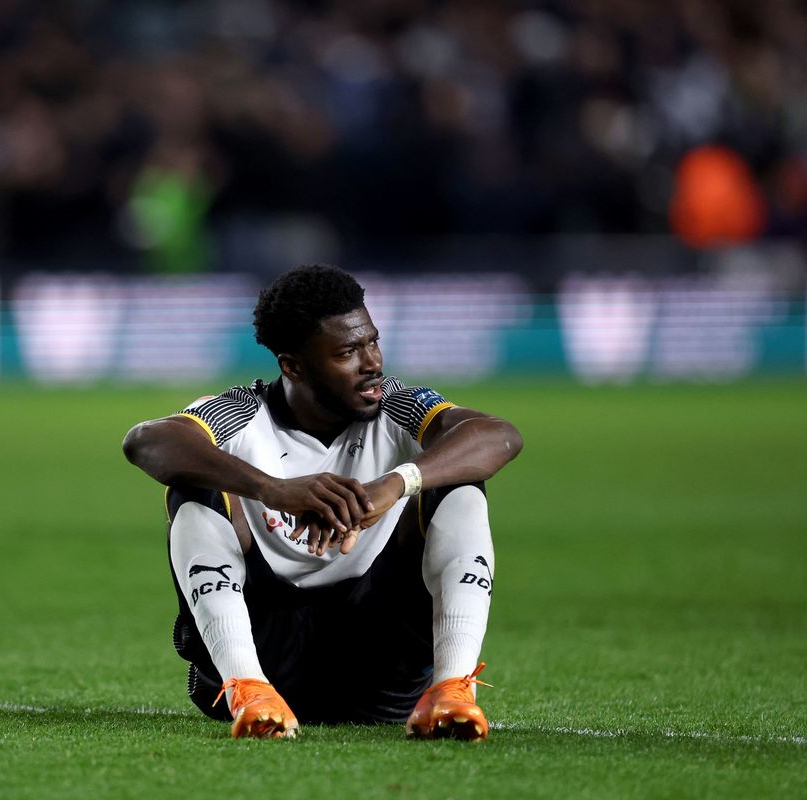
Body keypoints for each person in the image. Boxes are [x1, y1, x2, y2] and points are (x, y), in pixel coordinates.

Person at [122, 264, 523, 740]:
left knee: (457, 485)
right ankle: (247, 689)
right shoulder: (239, 413)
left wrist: (395, 483)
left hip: (380, 669)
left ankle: (452, 691)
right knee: (192, 488)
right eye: (347, 352)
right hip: (266, 652)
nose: (371, 362)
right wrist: (274, 488)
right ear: (293, 365)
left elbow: (500, 436)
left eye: (371, 341)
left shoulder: (397, 404)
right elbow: (147, 442)